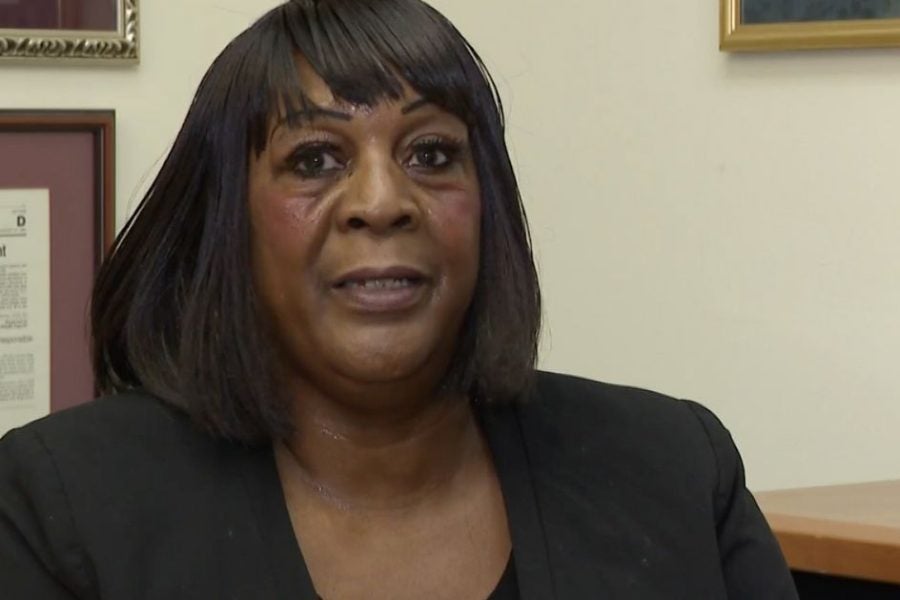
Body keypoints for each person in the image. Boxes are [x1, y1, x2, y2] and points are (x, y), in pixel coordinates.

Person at [0, 1, 798, 598]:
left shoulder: (677, 468)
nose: (381, 202)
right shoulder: (65, 505)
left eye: (431, 154)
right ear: (227, 222)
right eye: (315, 159)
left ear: (487, 207)